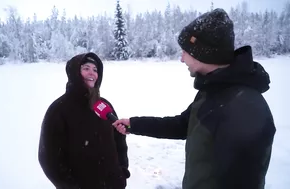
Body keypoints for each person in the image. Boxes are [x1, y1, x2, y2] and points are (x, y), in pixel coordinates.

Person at [113, 8, 276, 189]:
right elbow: (183, 124)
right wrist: (135, 124)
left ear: (204, 53)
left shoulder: (242, 106)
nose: (182, 59)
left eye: (185, 52)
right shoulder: (214, 91)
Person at [38, 52, 130, 189]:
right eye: (86, 68)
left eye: (95, 70)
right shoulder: (58, 110)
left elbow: (119, 140)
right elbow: (49, 160)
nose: (91, 73)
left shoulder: (104, 105)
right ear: (75, 72)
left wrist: (122, 172)